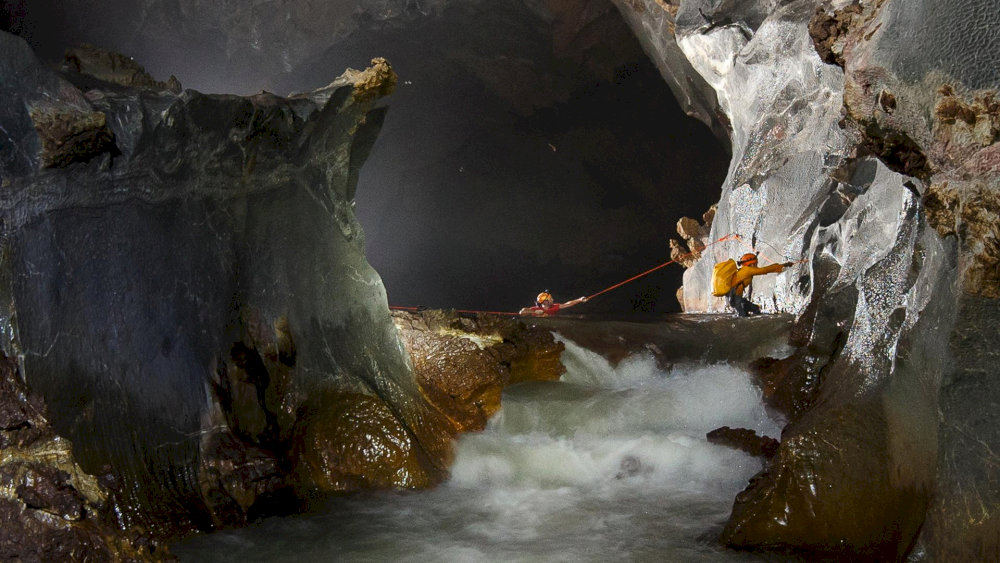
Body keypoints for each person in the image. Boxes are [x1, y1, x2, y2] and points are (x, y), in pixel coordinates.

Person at [726, 253, 793, 317]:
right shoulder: (748, 270)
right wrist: (782, 266)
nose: (756, 265)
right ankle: (750, 316)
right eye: (756, 263)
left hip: (733, 294)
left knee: (747, 308)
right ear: (752, 263)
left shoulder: (744, 269)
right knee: (741, 313)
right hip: (735, 295)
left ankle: (752, 312)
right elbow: (764, 270)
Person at [518, 291, 588, 316]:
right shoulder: (535, 308)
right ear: (545, 302)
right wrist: (534, 311)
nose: (553, 299)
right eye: (550, 299)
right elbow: (522, 312)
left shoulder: (554, 307)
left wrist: (580, 299)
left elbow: (568, 304)